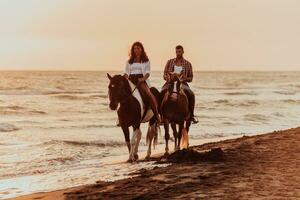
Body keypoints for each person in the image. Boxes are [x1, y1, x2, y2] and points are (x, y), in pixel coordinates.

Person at [124, 41, 161, 123]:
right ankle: (121, 118)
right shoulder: (129, 61)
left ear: (141, 49)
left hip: (141, 80)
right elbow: (126, 73)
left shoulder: (146, 61)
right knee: (122, 94)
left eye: (138, 48)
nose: (136, 50)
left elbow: (148, 73)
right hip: (131, 80)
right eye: (134, 48)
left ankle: (157, 115)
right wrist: (125, 78)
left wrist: (143, 78)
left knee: (149, 94)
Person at [162, 45, 198, 124]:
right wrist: (167, 77)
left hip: (182, 83)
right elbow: (164, 74)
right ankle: (160, 115)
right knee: (162, 91)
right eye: (176, 52)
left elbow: (191, 78)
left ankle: (191, 115)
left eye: (179, 52)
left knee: (191, 94)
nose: (178, 53)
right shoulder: (170, 62)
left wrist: (185, 78)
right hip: (170, 83)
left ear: (183, 52)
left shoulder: (188, 64)